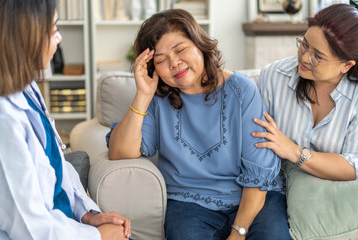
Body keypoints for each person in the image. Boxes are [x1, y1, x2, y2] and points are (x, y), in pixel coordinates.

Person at [107, 9, 291, 240]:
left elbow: (259, 171)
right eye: (161, 60)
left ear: (200, 45)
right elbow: (120, 152)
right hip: (188, 203)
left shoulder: (242, 91)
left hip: (254, 198)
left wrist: (238, 232)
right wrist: (143, 96)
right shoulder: (156, 99)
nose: (174, 63)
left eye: (181, 50)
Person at [0, 1, 131, 239]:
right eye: (53, 29)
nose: (59, 39)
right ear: (24, 34)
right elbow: (29, 228)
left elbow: (55, 164)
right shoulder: (3, 119)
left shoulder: (25, 88)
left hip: (66, 225)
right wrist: (98, 237)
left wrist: (88, 215)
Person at [253, 3, 358, 181]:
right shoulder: (274, 76)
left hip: (332, 194)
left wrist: (294, 151)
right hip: (274, 184)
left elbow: (353, 165)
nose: (304, 58)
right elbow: (255, 140)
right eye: (304, 45)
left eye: (318, 56)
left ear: (346, 65)